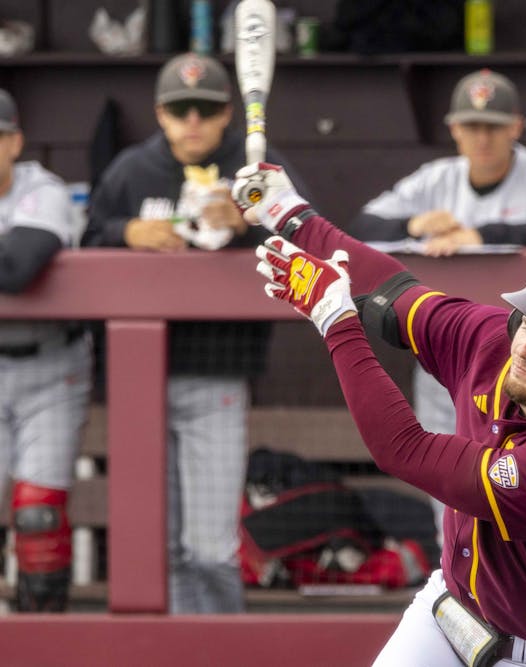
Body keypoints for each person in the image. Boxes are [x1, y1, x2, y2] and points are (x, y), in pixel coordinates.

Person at [230, 160, 526, 665]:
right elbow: (391, 293)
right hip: (450, 612)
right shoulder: (496, 343)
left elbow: (402, 449)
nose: (523, 347)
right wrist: (289, 214)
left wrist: (336, 320)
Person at [83, 53, 308, 614]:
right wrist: (126, 231)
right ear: (160, 114)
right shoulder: (132, 170)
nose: (192, 122)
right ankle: (169, 649)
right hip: (138, 378)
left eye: (204, 110)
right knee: (156, 546)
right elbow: (86, 241)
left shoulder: (255, 167)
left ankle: (220, 648)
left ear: (227, 113)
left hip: (217, 371)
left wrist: (251, 222)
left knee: (208, 549)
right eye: (180, 110)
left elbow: (313, 237)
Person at [347, 68, 526, 541]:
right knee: (448, 494)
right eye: (472, 126)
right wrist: (413, 224)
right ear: (455, 129)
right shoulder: (437, 179)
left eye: (494, 126)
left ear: (515, 127)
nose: (483, 137)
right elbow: (361, 226)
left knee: (521, 491)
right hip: (446, 356)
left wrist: (482, 235)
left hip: (524, 356)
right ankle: (455, 584)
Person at [0, 88, 92, 612]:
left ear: (14, 142)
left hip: (50, 369)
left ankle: (42, 633)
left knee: (38, 515)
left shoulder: (43, 190)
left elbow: (17, 266)